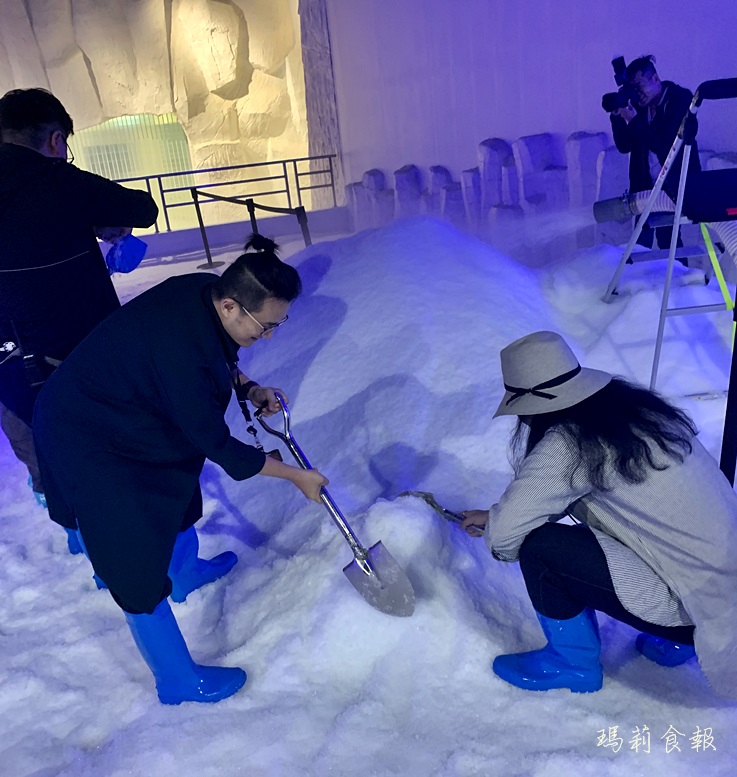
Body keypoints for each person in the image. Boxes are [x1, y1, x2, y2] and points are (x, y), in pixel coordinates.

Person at [33, 235, 328, 705]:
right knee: (131, 554)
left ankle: (184, 573)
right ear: (232, 306)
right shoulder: (179, 348)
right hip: (88, 433)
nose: (269, 336)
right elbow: (213, 442)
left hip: (131, 409)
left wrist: (249, 387)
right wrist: (297, 476)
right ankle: (176, 679)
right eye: (264, 326)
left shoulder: (206, 292)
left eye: (277, 324)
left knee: (177, 493)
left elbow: (220, 357)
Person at [460, 331, 737, 697]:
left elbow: (504, 538)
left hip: (699, 616)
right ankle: (680, 641)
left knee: (541, 548)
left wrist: (499, 523)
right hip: (722, 592)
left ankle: (573, 664)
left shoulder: (573, 441)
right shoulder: (637, 414)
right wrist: (497, 513)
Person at [0, 87, 158, 533]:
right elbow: (142, 208)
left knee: (31, 436)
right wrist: (90, 218)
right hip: (73, 348)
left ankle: (71, 529)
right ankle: (127, 551)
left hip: (4, 354)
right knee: (98, 443)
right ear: (54, 141)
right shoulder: (57, 181)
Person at [609, 55, 699, 250]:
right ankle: (640, 280)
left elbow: (665, 147)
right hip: (645, 188)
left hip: (674, 187)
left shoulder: (680, 100)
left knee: (670, 242)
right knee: (641, 243)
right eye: (633, 88)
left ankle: (679, 278)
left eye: (639, 85)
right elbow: (625, 145)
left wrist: (634, 121)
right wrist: (617, 118)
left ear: (655, 79)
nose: (637, 93)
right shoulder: (641, 108)